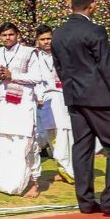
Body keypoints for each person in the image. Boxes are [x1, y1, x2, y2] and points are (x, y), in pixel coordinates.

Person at [50, 0, 110, 218]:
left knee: (82, 147)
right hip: (99, 98)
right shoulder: (94, 31)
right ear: (93, 5)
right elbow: (107, 68)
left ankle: (86, 201)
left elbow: (59, 67)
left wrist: (72, 89)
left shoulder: (58, 33)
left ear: (71, 5)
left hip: (74, 98)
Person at [0, 23, 43, 197]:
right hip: (5, 103)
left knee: (27, 142)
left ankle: (34, 182)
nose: (7, 38)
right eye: (4, 35)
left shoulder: (29, 52)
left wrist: (13, 76)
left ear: (17, 35)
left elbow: (37, 77)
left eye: (10, 35)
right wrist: (0, 76)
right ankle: (10, 183)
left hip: (23, 103)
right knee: (6, 143)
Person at [35, 25, 74, 183]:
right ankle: (62, 169)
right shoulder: (34, 56)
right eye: (42, 39)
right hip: (44, 99)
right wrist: (38, 96)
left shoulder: (64, 54)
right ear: (37, 41)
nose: (46, 42)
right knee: (51, 134)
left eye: (48, 39)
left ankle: (70, 171)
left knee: (65, 132)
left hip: (63, 97)